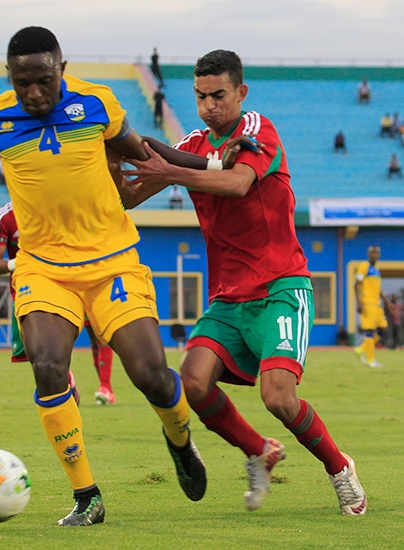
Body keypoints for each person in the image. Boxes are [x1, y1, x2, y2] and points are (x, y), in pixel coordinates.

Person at [0, 26, 226, 527]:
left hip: (112, 259)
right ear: (10, 77)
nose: (33, 92)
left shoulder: (96, 103)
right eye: (21, 82)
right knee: (48, 367)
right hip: (43, 266)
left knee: (151, 376)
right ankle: (87, 496)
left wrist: (207, 164)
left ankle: (181, 441)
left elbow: (142, 148)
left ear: (61, 68)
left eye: (43, 80)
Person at [120, 48, 367, 516]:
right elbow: (132, 196)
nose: (209, 105)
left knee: (278, 397)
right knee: (191, 384)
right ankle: (259, 451)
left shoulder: (258, 130)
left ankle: (339, 469)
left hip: (280, 288)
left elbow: (237, 183)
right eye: (200, 96)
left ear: (240, 92)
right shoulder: (193, 145)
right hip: (228, 299)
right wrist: (111, 168)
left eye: (218, 95)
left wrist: (170, 171)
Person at [0, 202, 117, 405]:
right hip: (27, 291)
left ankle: (105, 387)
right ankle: (65, 379)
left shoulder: (58, 204)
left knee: (98, 335)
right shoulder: (4, 216)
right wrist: (19, 263)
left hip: (73, 283)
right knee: (37, 352)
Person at [353, 245, 392, 368]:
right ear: (368, 254)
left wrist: (387, 301)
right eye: (372, 253)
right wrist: (359, 302)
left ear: (379, 255)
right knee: (369, 330)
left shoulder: (376, 270)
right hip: (367, 303)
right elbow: (357, 284)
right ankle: (371, 359)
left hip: (377, 304)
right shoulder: (364, 266)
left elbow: (378, 289)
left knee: (383, 329)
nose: (374, 255)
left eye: (376, 253)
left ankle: (361, 349)